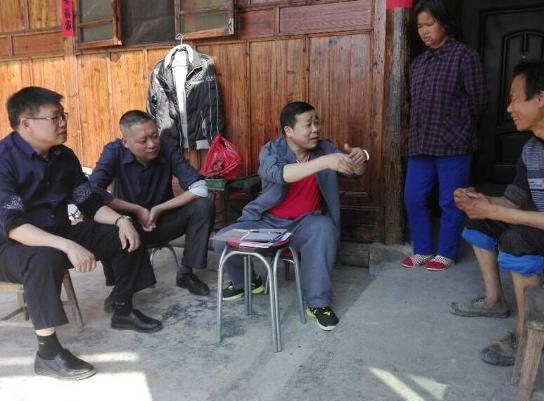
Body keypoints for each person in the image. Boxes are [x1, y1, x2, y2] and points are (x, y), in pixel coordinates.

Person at [0, 87, 162, 380]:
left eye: (63, 115)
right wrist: (67, 246)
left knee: (125, 232)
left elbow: (89, 203)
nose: (63, 123)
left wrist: (121, 220)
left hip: (58, 231)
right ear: (26, 124)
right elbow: (13, 225)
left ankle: (123, 307)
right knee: (45, 257)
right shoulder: (4, 160)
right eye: (55, 118)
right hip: (11, 246)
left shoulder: (64, 156)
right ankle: (48, 354)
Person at [450, 60, 544, 366]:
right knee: (480, 219)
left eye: (515, 99)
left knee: (518, 239)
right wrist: (480, 202)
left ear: (540, 98)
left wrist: (495, 210)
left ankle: (526, 335)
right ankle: (494, 301)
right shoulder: (531, 149)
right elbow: (512, 201)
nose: (509, 108)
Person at [213, 101, 368, 330]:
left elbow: (355, 172)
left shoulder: (325, 148)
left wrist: (361, 159)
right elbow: (281, 175)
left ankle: (318, 303)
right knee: (221, 241)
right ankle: (248, 282)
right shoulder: (271, 150)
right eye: (308, 124)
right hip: (267, 221)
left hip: (305, 223)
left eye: (317, 123)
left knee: (324, 227)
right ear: (289, 131)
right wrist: (325, 162)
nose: (315, 129)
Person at [89, 110, 215, 310]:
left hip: (162, 222)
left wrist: (159, 209)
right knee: (104, 223)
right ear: (126, 142)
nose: (152, 144)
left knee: (203, 206)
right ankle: (122, 289)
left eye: (154, 135)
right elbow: (91, 192)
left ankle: (186, 273)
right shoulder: (113, 152)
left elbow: (200, 188)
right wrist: (135, 210)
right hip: (129, 225)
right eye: (143, 140)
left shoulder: (167, 147)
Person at [402, 0, 487, 271]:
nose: (424, 31)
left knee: (450, 200)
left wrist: (459, 127)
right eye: (420, 26)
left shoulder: (465, 56)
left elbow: (478, 100)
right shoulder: (417, 64)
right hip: (421, 143)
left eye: (430, 24)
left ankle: (446, 252)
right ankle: (423, 249)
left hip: (454, 144)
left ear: (444, 23)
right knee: (413, 197)